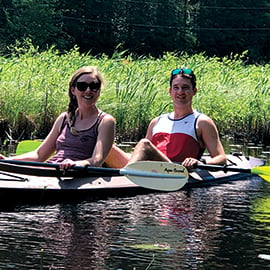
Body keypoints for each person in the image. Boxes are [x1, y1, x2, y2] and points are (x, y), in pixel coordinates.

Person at [105, 68, 226, 170]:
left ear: (194, 91)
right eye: (176, 87)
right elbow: (144, 153)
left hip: (175, 170)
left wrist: (199, 163)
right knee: (105, 146)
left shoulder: (202, 122)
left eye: (185, 87)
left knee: (144, 144)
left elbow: (221, 158)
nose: (180, 92)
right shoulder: (156, 121)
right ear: (170, 91)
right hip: (151, 169)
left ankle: (128, 175)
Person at [0, 66, 115, 170]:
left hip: (77, 174)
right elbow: (39, 155)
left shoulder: (105, 121)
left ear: (99, 91)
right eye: (82, 86)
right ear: (73, 90)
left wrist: (77, 164)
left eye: (94, 86)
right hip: (52, 171)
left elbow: (97, 160)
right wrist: (7, 161)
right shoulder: (64, 118)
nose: (88, 90)